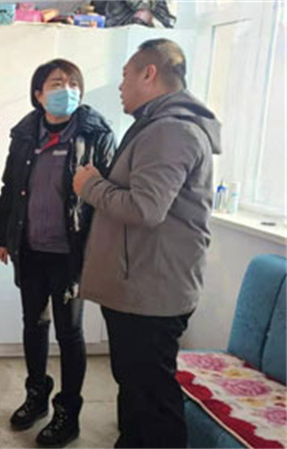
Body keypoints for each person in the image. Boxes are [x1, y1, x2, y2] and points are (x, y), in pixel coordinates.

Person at [73, 39, 220, 448]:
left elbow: (145, 208)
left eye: (125, 76)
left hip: (150, 291)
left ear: (149, 73)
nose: (120, 86)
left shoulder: (171, 131)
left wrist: (90, 186)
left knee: (152, 399)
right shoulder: (157, 125)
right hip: (141, 285)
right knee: (136, 389)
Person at [0, 59, 116, 446]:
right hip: (30, 248)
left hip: (70, 253)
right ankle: (36, 395)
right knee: (34, 324)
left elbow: (107, 195)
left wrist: (99, 251)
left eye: (73, 83)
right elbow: (10, 187)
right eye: (57, 83)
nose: (67, 89)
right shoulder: (25, 133)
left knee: (69, 332)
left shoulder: (95, 133)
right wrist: (2, 236)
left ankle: (68, 412)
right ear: (39, 94)